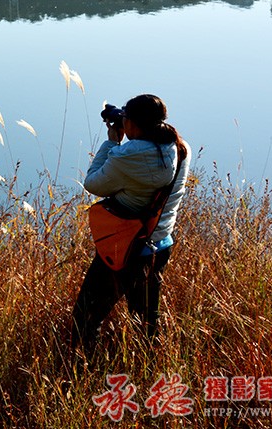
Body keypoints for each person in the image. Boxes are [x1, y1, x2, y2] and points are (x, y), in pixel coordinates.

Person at [70, 93, 191, 352]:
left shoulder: (128, 156)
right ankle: (148, 370)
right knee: (146, 324)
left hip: (126, 248)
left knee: (86, 317)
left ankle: (84, 369)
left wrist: (112, 143)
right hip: (160, 244)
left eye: (126, 119)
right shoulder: (180, 148)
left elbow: (93, 184)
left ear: (133, 124)